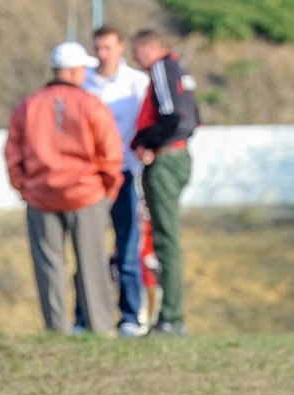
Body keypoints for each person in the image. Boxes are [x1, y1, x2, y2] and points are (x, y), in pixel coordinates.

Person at [4, 42, 123, 334]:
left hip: (41, 195)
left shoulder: (29, 105)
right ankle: (100, 327)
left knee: (49, 265)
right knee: (92, 264)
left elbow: (13, 153)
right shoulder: (91, 104)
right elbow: (110, 153)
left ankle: (56, 329)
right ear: (74, 71)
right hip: (86, 194)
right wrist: (108, 190)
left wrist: (25, 188)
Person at [82, 26, 150, 336]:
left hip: (126, 173)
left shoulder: (137, 82)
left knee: (128, 250)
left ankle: (130, 317)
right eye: (98, 48)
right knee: (88, 249)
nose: (102, 54)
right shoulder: (84, 81)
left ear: (120, 47)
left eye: (108, 47)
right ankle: (85, 316)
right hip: (92, 177)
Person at [130, 28, 199, 336]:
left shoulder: (161, 67)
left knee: (166, 240)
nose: (135, 58)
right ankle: (170, 316)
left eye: (136, 50)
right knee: (166, 237)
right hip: (178, 156)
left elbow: (172, 117)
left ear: (149, 46)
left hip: (166, 160)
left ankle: (171, 317)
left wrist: (145, 141)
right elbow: (193, 118)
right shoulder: (178, 67)